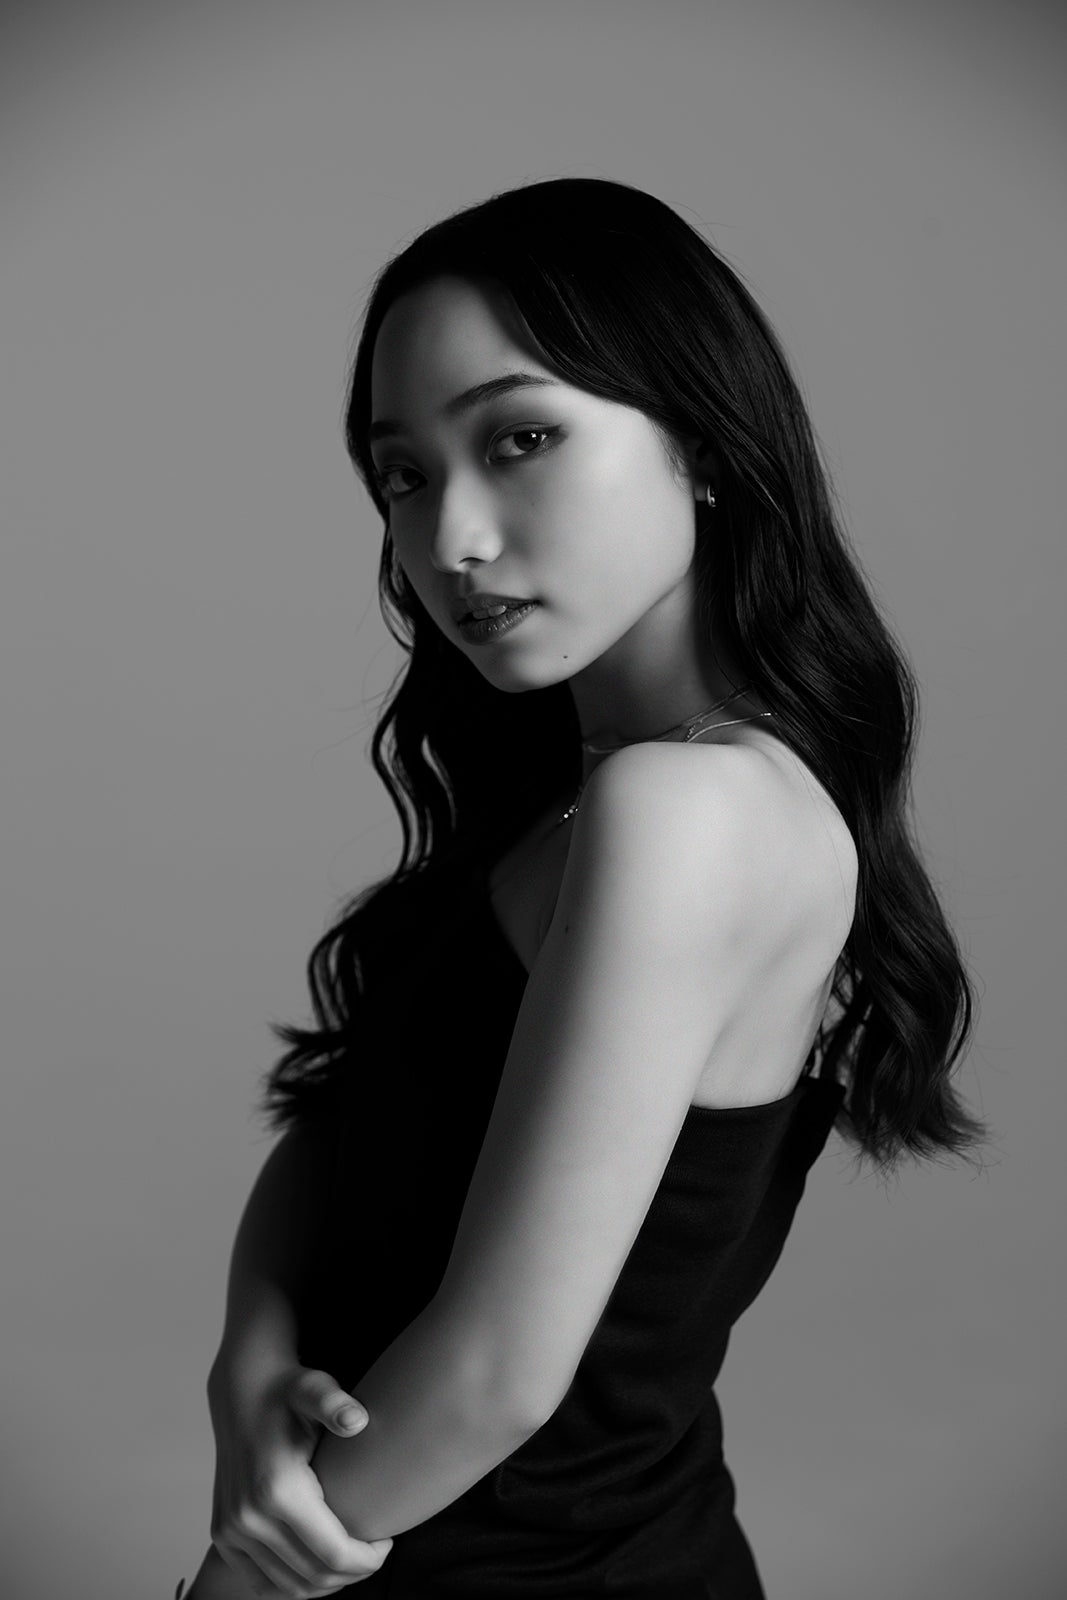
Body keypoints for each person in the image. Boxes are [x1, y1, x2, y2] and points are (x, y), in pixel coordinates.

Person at [178, 177, 983, 1600]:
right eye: (403, 475)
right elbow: (349, 1121)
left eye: (521, 438)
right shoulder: (588, 789)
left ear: (702, 442)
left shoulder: (690, 812)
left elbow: (496, 1376)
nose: (452, 540)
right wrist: (247, 1364)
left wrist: (235, 1586)